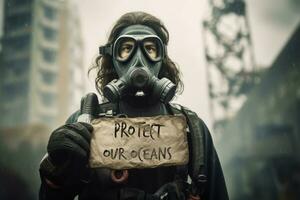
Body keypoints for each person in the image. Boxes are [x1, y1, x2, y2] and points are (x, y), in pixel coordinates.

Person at [39, 11, 229, 200]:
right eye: (127, 49)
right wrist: (55, 169)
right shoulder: (85, 123)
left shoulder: (191, 129)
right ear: (112, 57)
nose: (139, 59)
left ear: (162, 58)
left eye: (150, 49)